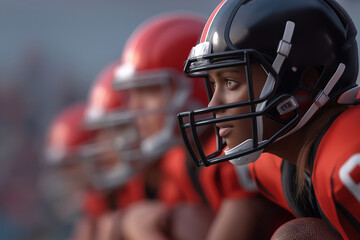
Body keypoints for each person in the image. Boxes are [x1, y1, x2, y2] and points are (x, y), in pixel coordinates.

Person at [177, 0, 360, 239]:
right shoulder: (269, 166)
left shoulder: (349, 159)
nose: (213, 105)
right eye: (213, 84)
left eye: (231, 82)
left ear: (307, 79)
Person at [113, 12, 292, 240]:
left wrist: (141, 232)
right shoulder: (179, 161)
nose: (135, 109)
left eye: (149, 91)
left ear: (197, 85)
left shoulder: (235, 155)